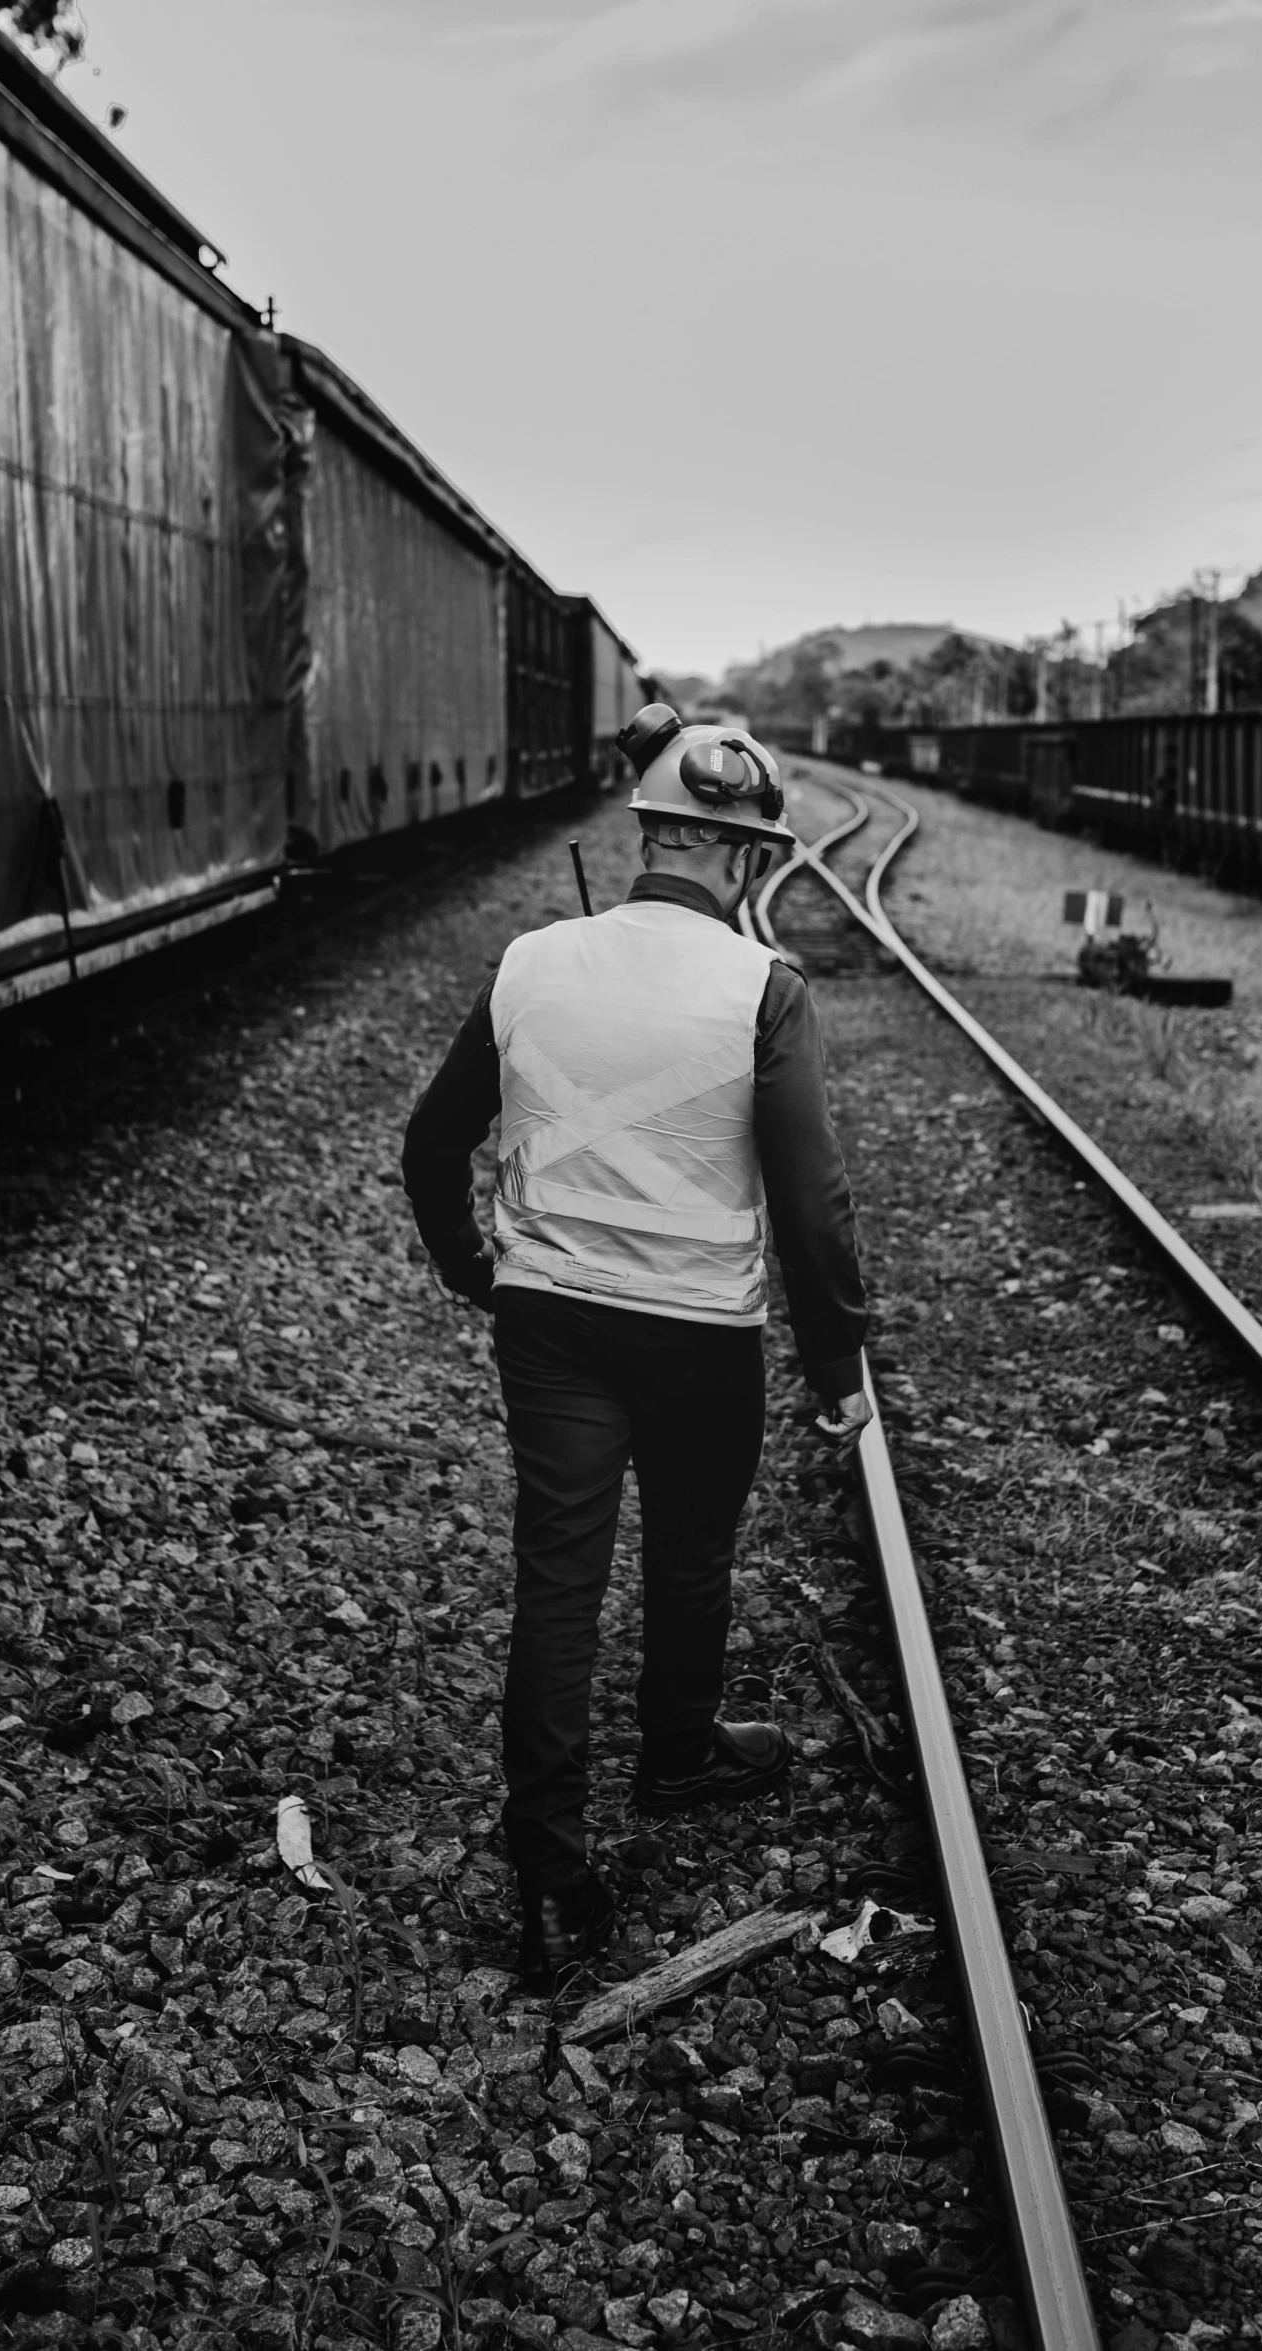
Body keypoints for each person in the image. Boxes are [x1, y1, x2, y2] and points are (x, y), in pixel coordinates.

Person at [401, 705, 870, 1989]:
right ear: (745, 856)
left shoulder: (531, 963)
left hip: (549, 1324)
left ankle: (548, 1860)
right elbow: (814, 1204)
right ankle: (676, 1754)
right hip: (698, 1337)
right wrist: (840, 1367)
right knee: (690, 1548)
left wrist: (475, 1268)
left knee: (559, 1578)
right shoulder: (764, 991)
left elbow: (430, 1144)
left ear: (649, 833)